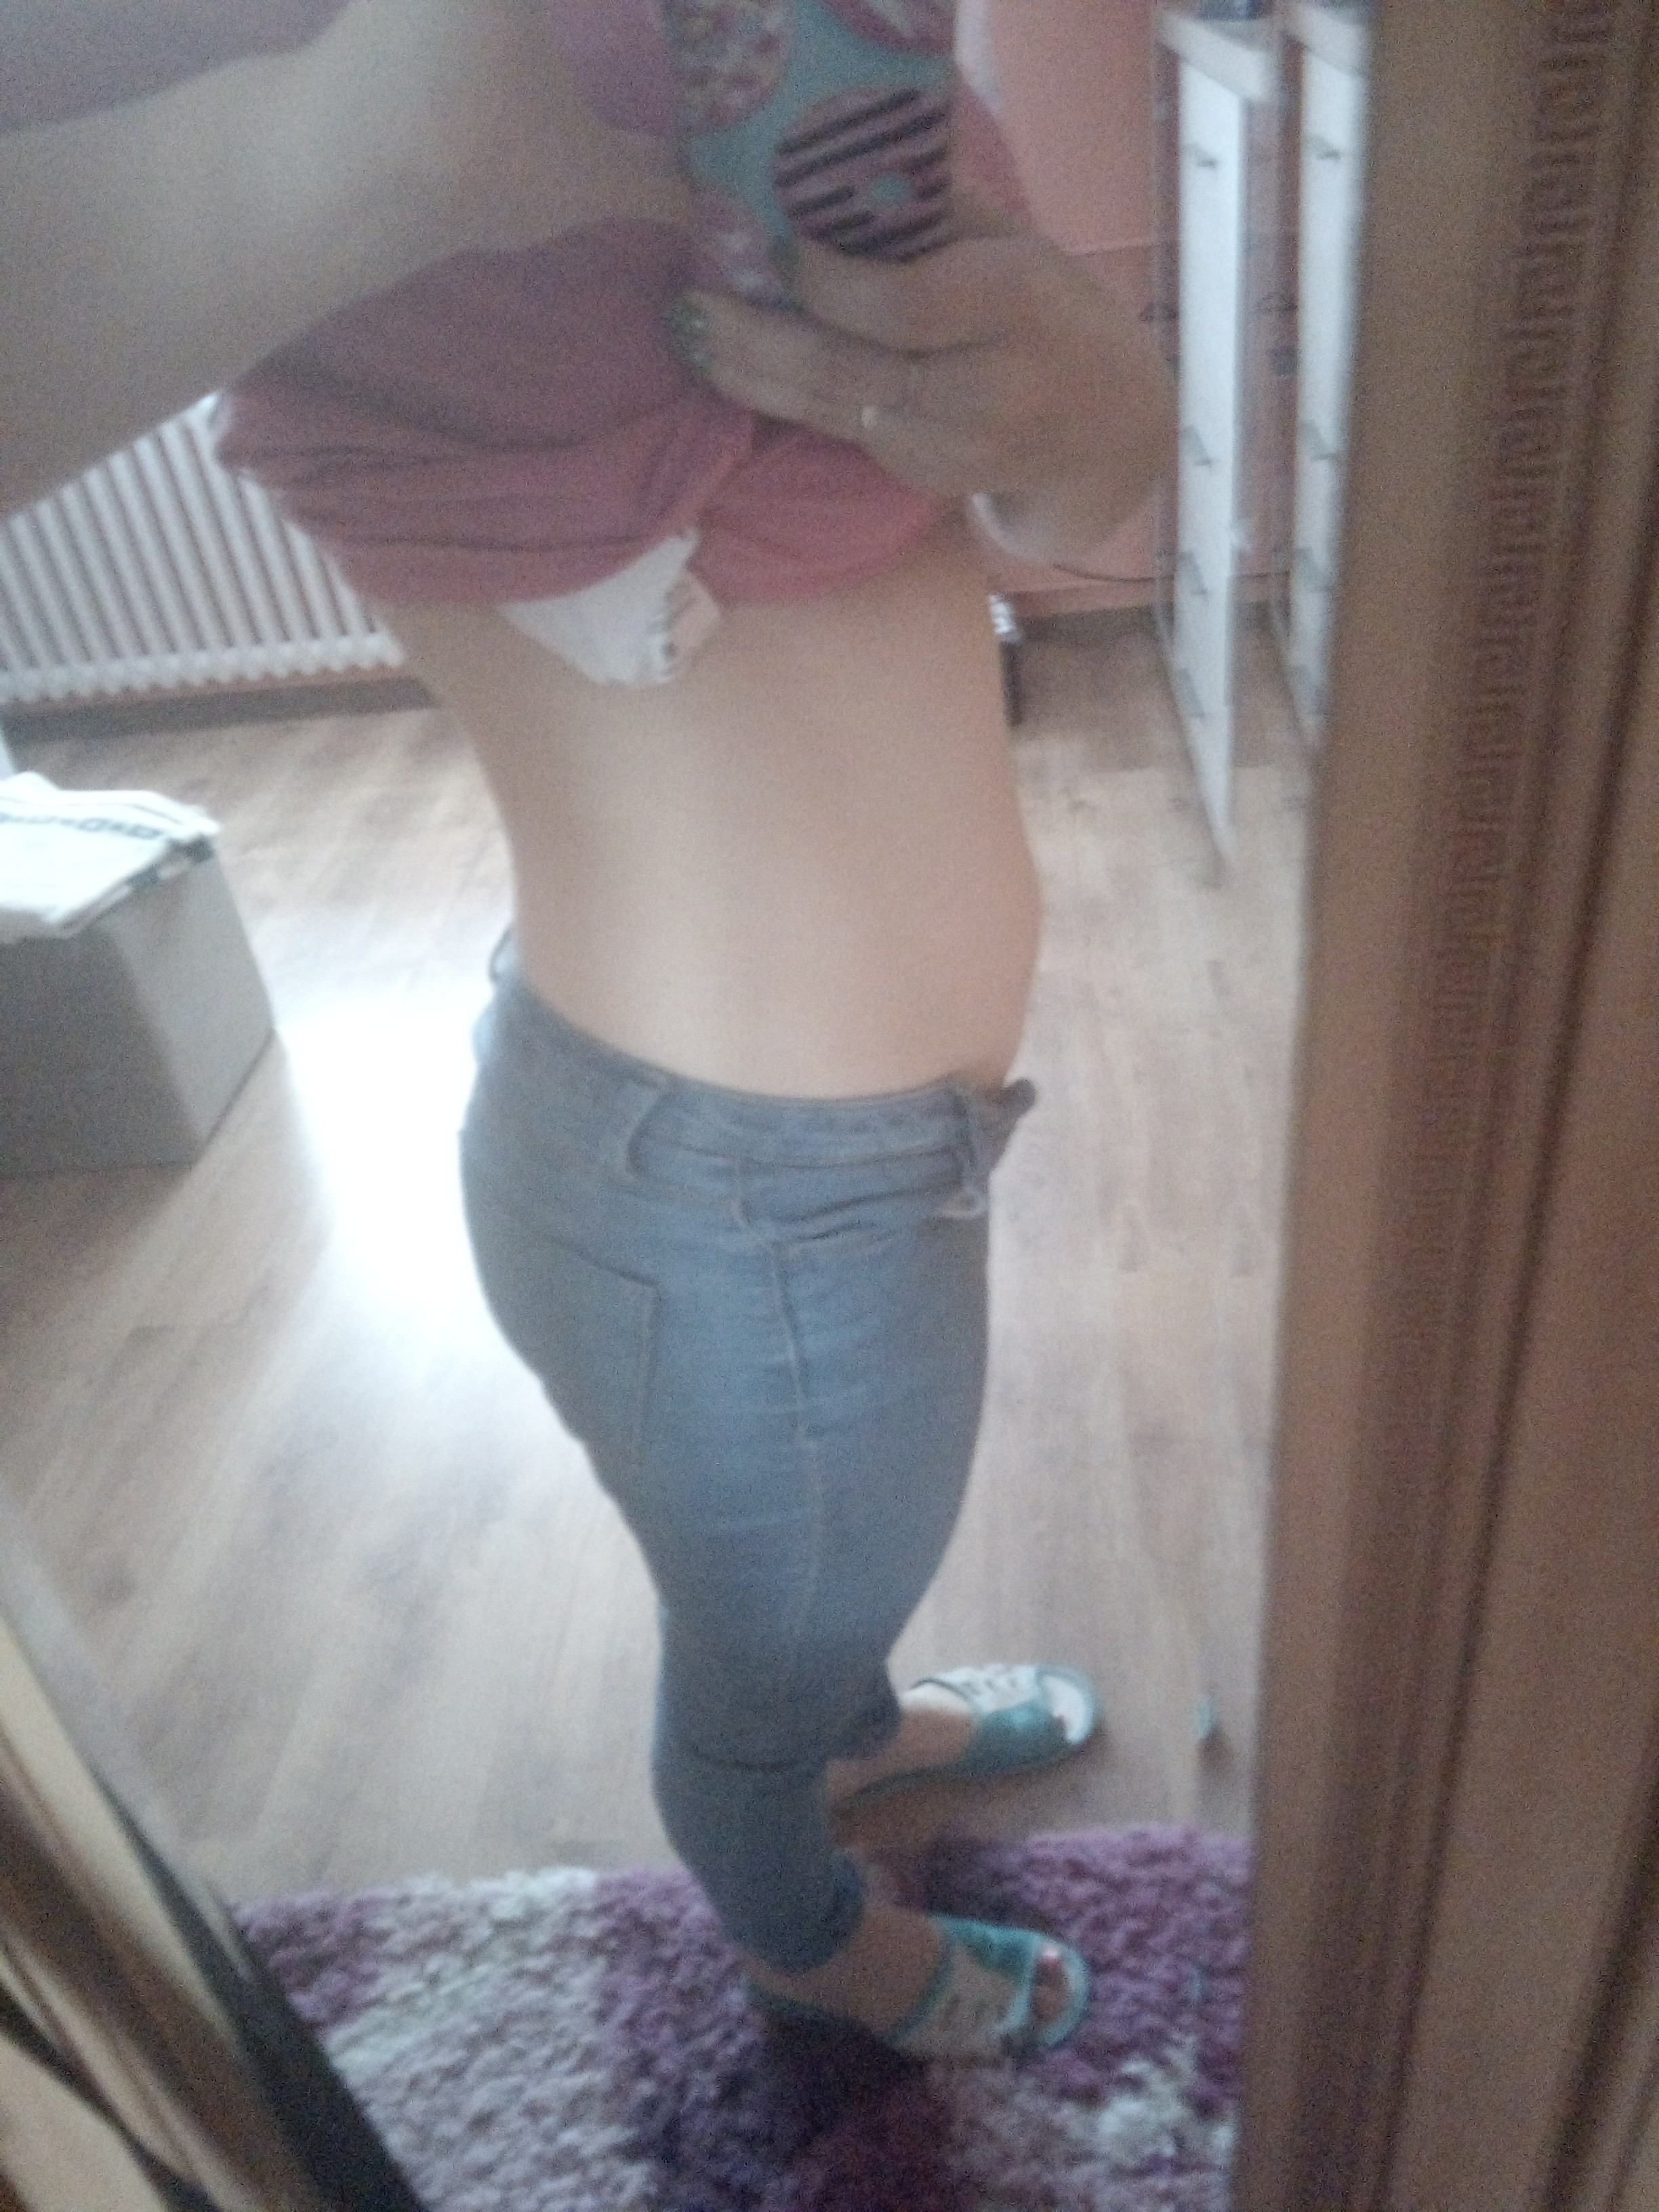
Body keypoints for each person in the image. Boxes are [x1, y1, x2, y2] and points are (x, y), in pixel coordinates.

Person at [1, 0, 1174, 2059]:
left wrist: (1106, 408)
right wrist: (364, 142)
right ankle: (795, 1928)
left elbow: (1054, 508)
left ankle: (851, 1725)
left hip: (788, 1171)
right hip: (735, 1210)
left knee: (816, 1593)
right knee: (760, 1652)